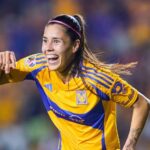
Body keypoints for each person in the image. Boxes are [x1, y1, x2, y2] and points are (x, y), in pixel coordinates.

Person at [0, 14, 149, 150]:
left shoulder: (96, 79)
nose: (48, 49)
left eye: (56, 41)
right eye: (45, 40)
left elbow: (142, 103)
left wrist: (129, 145)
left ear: (75, 45)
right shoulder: (38, 66)